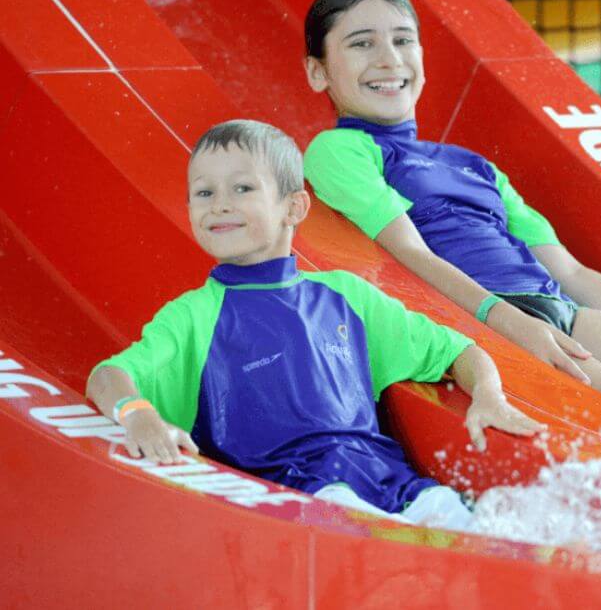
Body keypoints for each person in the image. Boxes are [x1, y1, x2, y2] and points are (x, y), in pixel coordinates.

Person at [302, 0, 601, 441]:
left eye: (402, 41)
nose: (389, 59)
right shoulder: (341, 149)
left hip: (556, 308)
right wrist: (511, 323)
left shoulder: (475, 166)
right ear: (318, 72)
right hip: (486, 319)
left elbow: (571, 272)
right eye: (362, 44)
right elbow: (411, 255)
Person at [85, 119, 544, 529]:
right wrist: (137, 415)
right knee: (353, 527)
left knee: (479, 532)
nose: (219, 205)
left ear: (294, 208)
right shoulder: (195, 315)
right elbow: (107, 377)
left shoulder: (347, 295)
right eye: (204, 193)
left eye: (242, 189)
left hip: (393, 482)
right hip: (292, 496)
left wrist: (489, 396)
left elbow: (458, 350)